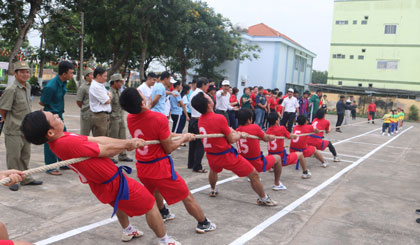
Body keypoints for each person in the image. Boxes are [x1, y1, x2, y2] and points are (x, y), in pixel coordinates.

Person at [21, 110, 181, 244]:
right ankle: (164, 240)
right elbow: (106, 150)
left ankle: (128, 230)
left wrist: (127, 141)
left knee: (120, 203)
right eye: (53, 117)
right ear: (50, 132)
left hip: (103, 184)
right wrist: (128, 145)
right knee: (151, 204)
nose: (57, 115)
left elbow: (98, 139)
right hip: (112, 182)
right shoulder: (66, 143)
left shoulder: (63, 137)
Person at [120, 88, 216, 234]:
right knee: (186, 196)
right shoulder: (158, 118)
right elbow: (168, 148)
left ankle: (163, 212)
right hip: (160, 168)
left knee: (155, 190)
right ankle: (203, 223)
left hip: (143, 168)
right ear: (141, 102)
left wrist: (182, 134)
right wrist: (183, 139)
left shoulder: (131, 118)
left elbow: (161, 135)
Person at [191, 92, 277, 206]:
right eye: (208, 98)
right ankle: (263, 198)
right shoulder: (219, 117)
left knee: (213, 170)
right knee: (254, 174)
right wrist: (240, 135)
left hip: (211, 154)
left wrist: (230, 130)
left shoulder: (201, 119)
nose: (211, 98)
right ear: (208, 105)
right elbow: (232, 139)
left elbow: (220, 130)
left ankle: (213, 190)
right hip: (226, 155)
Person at [0, 61, 43, 191]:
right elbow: (3, 109)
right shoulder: (11, 89)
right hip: (13, 129)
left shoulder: (28, 86)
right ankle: (12, 180)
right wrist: (10, 121)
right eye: (22, 72)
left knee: (25, 155)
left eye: (27, 72)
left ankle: (25, 178)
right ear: (15, 73)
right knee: (14, 157)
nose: (25, 74)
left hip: (26, 129)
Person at [236, 108, 286, 190]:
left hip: (243, 162)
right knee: (278, 158)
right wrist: (271, 137)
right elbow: (266, 139)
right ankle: (277, 183)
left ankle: (251, 175)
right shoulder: (254, 127)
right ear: (249, 120)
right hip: (256, 163)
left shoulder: (237, 131)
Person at [40, 61, 74, 176]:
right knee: (50, 141)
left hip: (59, 115)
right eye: (71, 73)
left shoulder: (63, 82)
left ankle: (63, 162)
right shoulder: (51, 86)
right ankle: (50, 167)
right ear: (64, 74)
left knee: (63, 138)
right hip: (51, 116)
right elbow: (42, 101)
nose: (72, 75)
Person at [266, 112, 311, 179]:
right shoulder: (281, 128)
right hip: (281, 158)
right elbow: (290, 136)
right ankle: (305, 172)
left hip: (271, 156)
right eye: (278, 119)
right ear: (276, 121)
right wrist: (293, 136)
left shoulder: (268, 130)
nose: (279, 120)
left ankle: (272, 166)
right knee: (300, 154)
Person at [109, 74, 133, 163]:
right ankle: (110, 156)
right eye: (120, 82)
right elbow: (108, 108)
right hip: (113, 118)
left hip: (120, 117)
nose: (122, 83)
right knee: (112, 138)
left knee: (122, 137)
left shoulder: (119, 91)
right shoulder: (110, 92)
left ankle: (123, 155)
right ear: (114, 82)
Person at [188, 77, 209, 173]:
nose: (207, 87)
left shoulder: (193, 93)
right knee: (200, 144)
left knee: (192, 143)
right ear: (203, 85)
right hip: (198, 121)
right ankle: (197, 166)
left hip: (192, 119)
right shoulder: (200, 94)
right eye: (207, 85)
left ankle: (191, 163)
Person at [89, 67, 112, 139]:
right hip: (99, 117)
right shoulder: (96, 86)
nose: (106, 78)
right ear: (98, 76)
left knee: (105, 139)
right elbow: (107, 101)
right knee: (100, 140)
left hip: (103, 116)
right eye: (104, 76)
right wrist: (109, 96)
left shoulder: (100, 85)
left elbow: (109, 94)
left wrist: (109, 96)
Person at [76, 68, 94, 136]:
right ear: (86, 76)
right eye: (91, 74)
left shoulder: (96, 86)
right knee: (84, 135)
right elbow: (78, 101)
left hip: (95, 114)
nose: (93, 76)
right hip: (86, 115)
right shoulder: (83, 87)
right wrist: (85, 108)